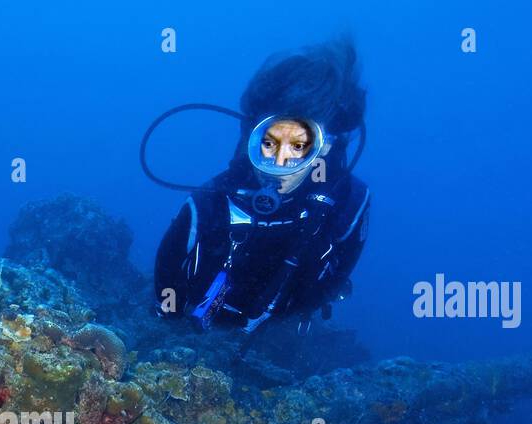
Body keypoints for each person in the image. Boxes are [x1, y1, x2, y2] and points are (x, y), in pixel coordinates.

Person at [153, 39, 370, 337]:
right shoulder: (210, 201)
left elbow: (338, 273)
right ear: (252, 139)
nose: (279, 163)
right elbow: (169, 264)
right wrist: (171, 317)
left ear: (325, 146)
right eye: (269, 143)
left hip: (280, 328)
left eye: (298, 146)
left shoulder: (349, 203)